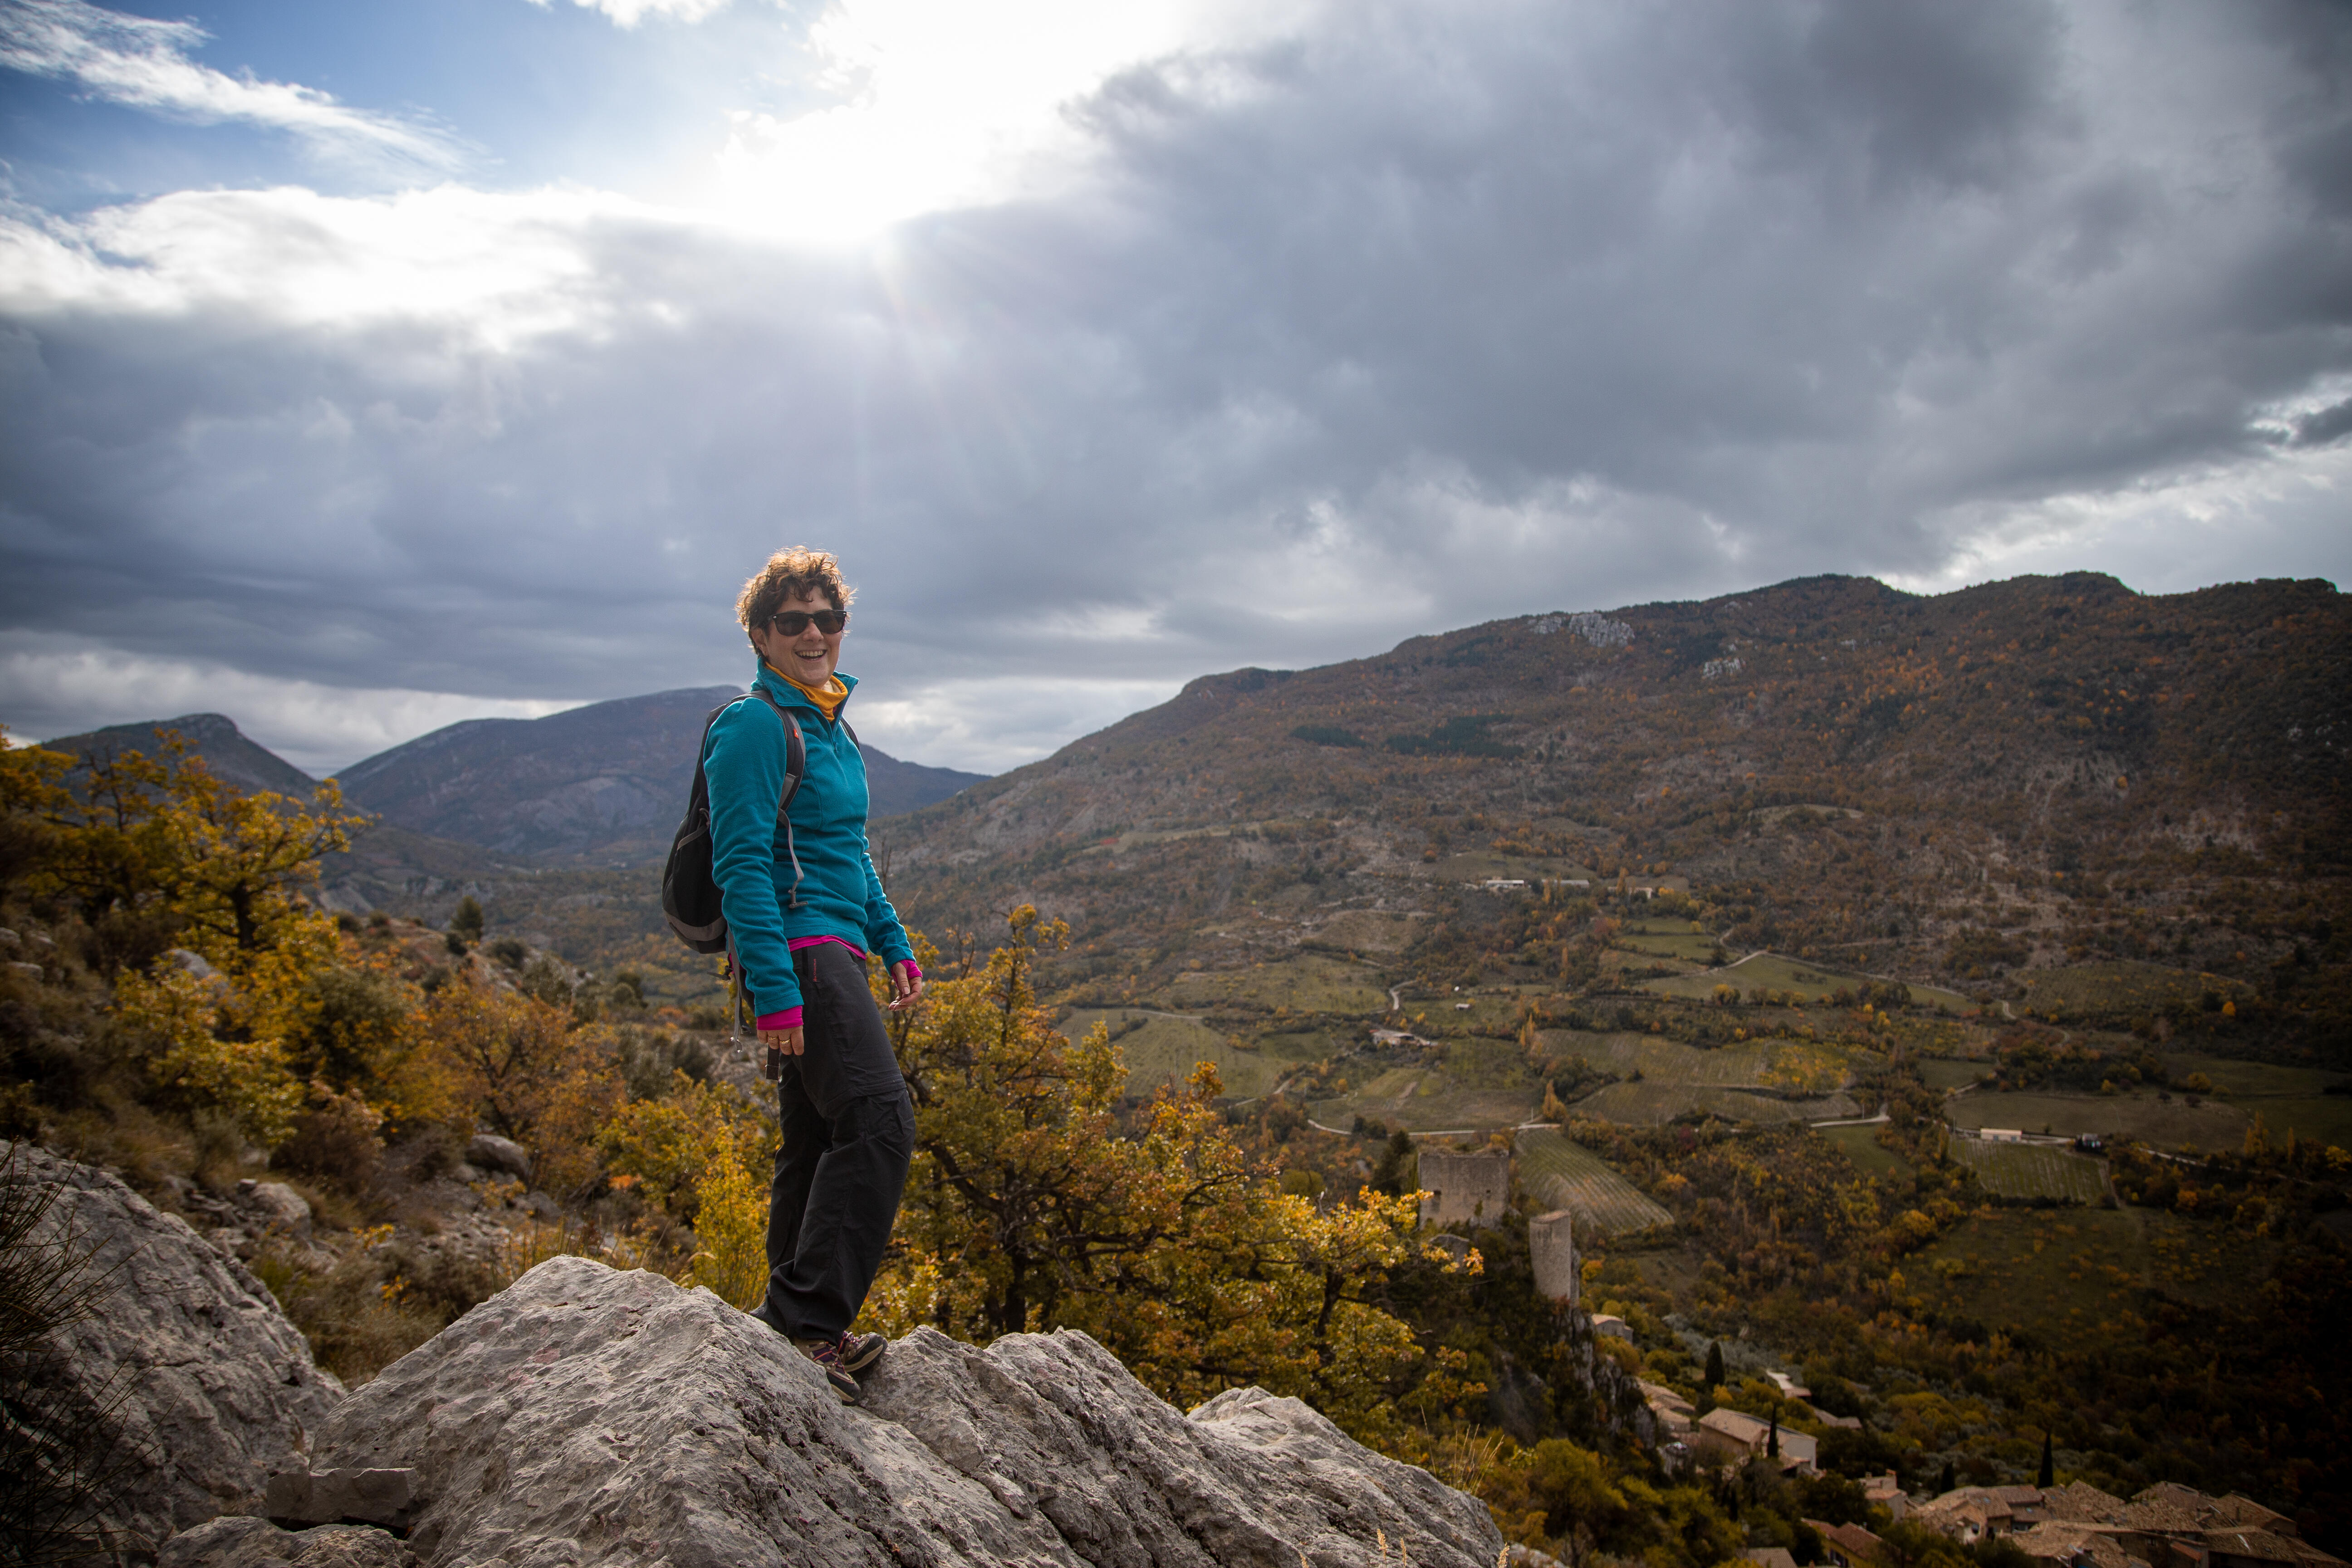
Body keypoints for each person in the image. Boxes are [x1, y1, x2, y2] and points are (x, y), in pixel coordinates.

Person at [705, 547, 922, 1403]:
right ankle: (811, 1322)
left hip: (839, 947)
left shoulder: (832, 725)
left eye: (828, 619)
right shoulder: (755, 725)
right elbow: (743, 866)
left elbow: (848, 853)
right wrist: (774, 989)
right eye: (792, 621)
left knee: (818, 1138)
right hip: (797, 951)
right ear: (759, 635)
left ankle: (783, 1319)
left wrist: (894, 938)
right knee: (879, 1120)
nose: (814, 634)